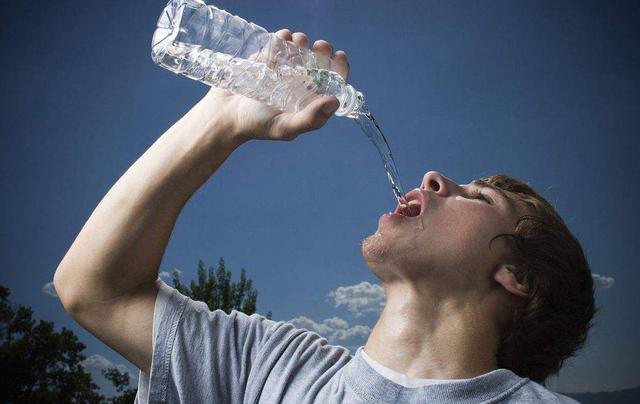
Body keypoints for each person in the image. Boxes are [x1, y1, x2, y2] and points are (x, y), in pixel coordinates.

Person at [54, 29, 595, 403]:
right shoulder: (266, 368)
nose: (434, 179)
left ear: (517, 276)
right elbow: (94, 290)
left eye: (477, 198)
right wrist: (223, 116)